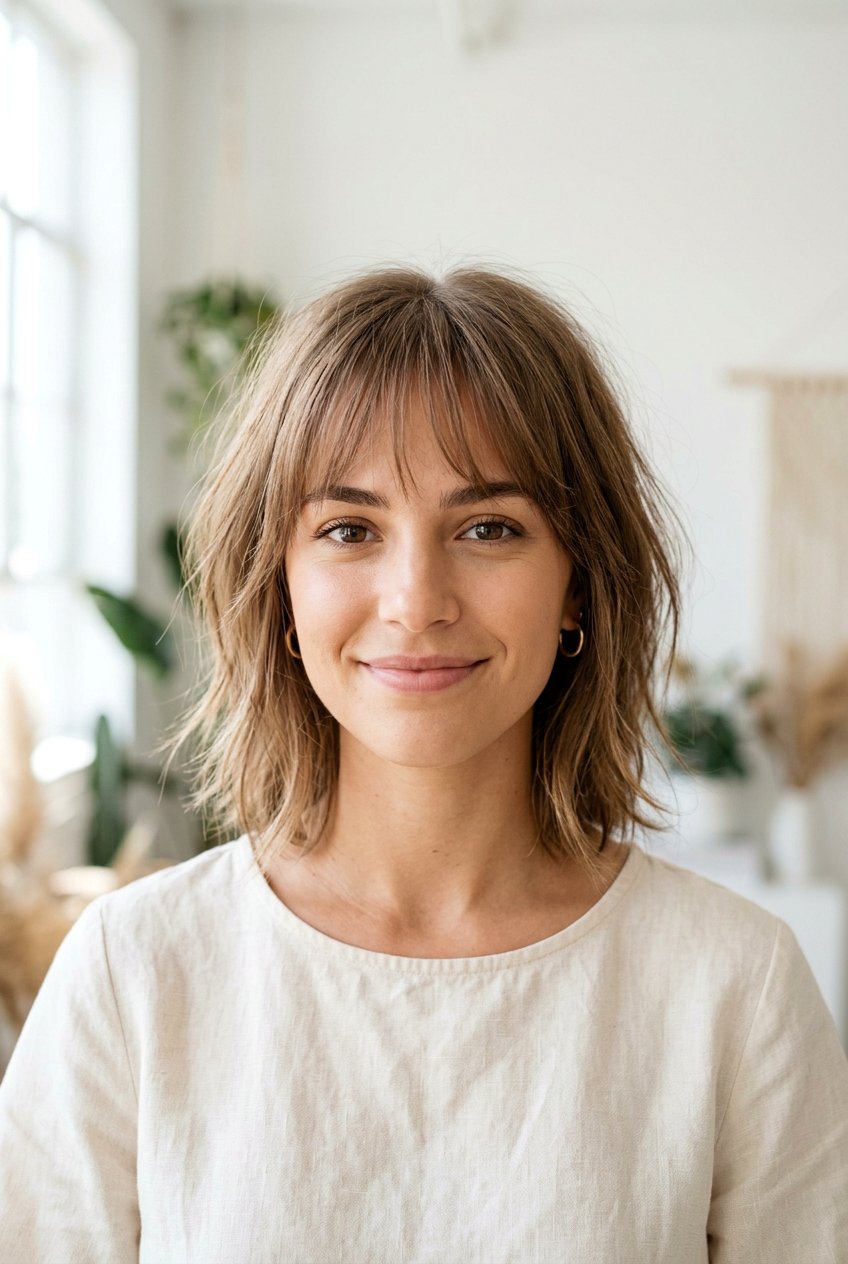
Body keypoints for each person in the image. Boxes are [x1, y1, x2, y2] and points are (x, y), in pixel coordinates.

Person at [0, 264, 846, 1262]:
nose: (415, 598)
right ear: (280, 589)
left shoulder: (730, 983)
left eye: (487, 528)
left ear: (578, 584)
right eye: (348, 529)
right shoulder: (135, 969)